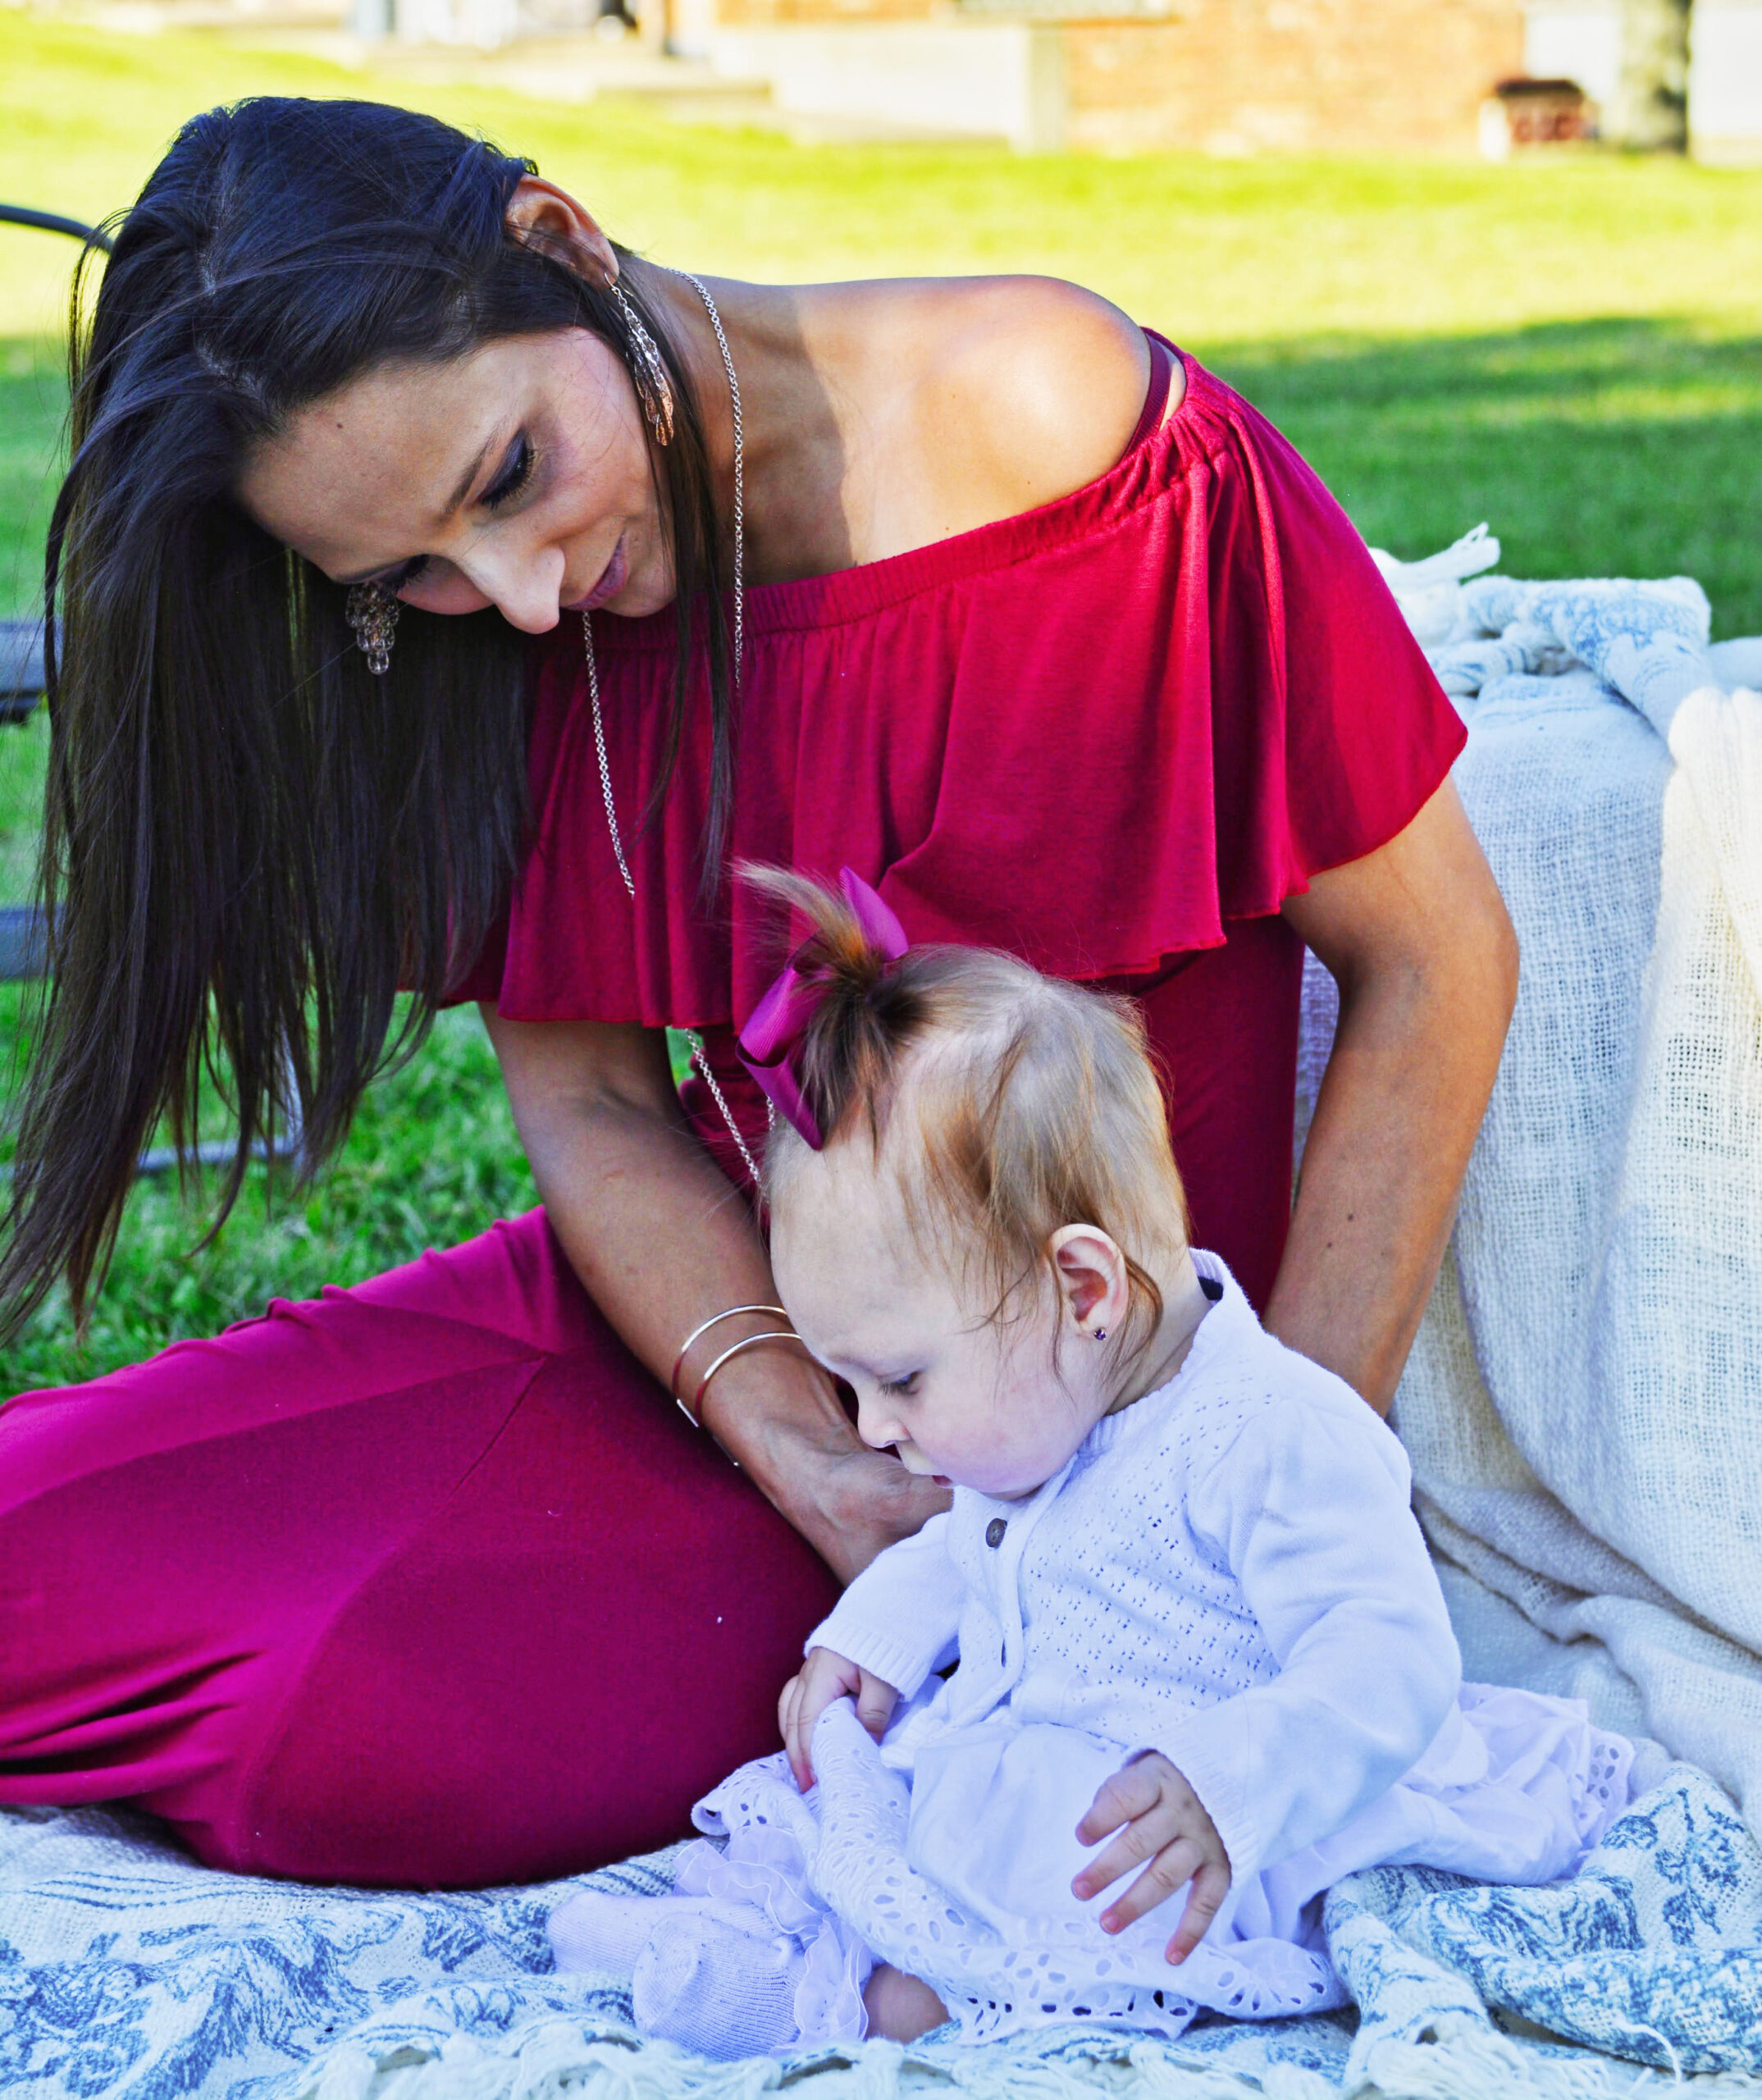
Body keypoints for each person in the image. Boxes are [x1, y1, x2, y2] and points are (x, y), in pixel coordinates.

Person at [0, 96, 1517, 1890]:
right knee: (43, 1536)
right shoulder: (487, 620)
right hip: (705, 1333)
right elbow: (595, 1100)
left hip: (1044, 1419)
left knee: (350, 1735)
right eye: (407, 574)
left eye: (508, 478)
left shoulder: (1050, 424)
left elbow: (1434, 960)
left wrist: (1239, 1505)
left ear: (561, 241)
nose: (521, 598)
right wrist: (802, 1445)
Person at [549, 869, 1632, 2056]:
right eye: (850, 1385)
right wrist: (876, 1636)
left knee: (1029, 1913)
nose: (869, 1428)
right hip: (1038, 1759)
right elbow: (967, 1544)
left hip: (1187, 1817)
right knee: (860, 1812)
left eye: (900, 1381)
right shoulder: (1050, 1406)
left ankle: (827, 2015)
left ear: (1082, 1289)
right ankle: (763, 1937)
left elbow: (1392, 1662)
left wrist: (1228, 1778)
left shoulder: (1272, 1433)